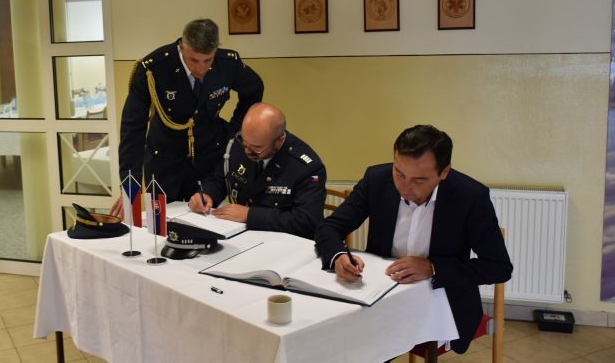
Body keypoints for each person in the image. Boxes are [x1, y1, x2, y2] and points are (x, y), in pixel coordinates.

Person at [315, 125, 512, 354]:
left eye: (419, 180)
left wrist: (433, 267)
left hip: (441, 298)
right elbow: (329, 227)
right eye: (399, 173)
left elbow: (499, 267)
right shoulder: (377, 179)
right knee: (338, 341)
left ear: (444, 172)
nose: (404, 187)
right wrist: (338, 255)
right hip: (380, 293)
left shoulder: (470, 197)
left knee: (368, 344)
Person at [111, 19, 263, 218]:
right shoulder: (153, 68)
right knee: (160, 226)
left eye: (208, 60)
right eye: (194, 60)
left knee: (206, 222)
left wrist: (235, 133)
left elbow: (254, 89)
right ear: (182, 47)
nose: (201, 69)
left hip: (208, 159)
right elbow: (133, 129)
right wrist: (130, 185)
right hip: (164, 162)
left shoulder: (228, 64)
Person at [188, 103, 326, 239]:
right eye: (244, 142)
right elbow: (220, 178)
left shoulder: (306, 167)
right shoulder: (240, 143)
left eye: (257, 148)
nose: (247, 151)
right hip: (243, 236)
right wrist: (207, 194)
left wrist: (250, 215)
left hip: (284, 243)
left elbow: (307, 222)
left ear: (279, 140)